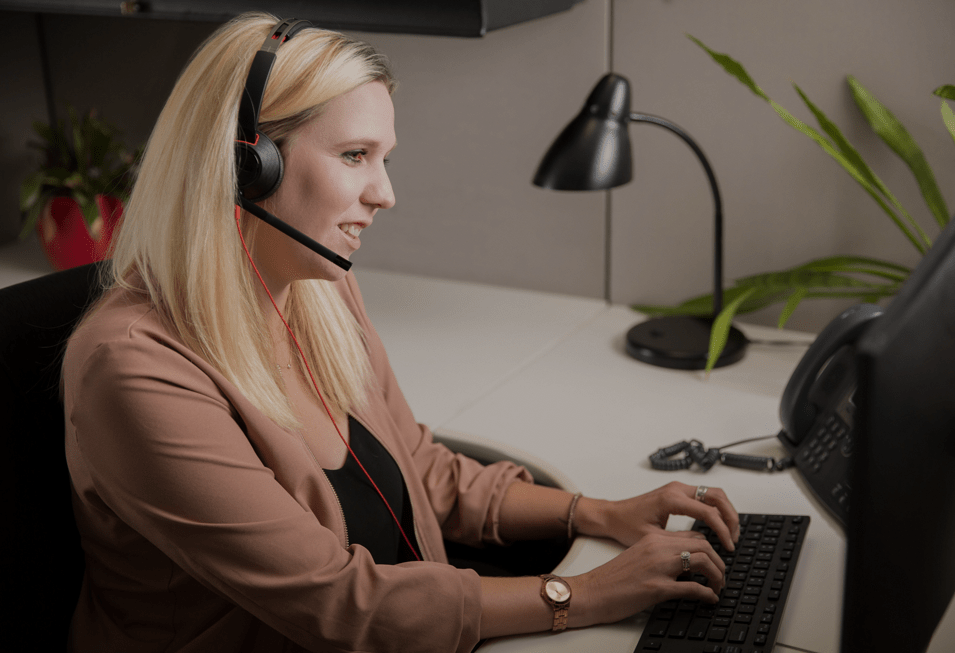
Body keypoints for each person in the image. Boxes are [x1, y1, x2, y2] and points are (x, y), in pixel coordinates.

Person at [62, 12, 740, 652]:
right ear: (248, 166)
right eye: (355, 155)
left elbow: (424, 471)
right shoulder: (136, 370)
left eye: (382, 157)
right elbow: (338, 602)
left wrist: (599, 513)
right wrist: (583, 593)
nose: (384, 193)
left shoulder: (318, 291)